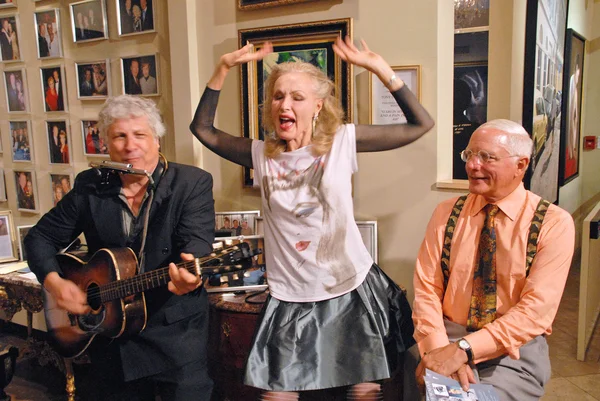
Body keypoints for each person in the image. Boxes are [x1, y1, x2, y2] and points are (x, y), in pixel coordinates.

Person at [190, 36, 434, 399]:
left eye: (297, 97)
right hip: (289, 294)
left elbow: (420, 125)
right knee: (276, 394)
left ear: (318, 105)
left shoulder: (342, 142)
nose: (284, 104)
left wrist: (380, 68)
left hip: (347, 288)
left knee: (364, 392)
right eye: (278, 96)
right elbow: (203, 130)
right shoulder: (261, 155)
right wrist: (222, 67)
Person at [24, 95, 216, 401]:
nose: (130, 145)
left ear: (156, 139)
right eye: (119, 136)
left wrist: (189, 273)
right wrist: (54, 282)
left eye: (140, 134)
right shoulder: (91, 185)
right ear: (105, 143)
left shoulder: (190, 183)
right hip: (111, 338)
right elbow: (39, 238)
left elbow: (197, 243)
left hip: (175, 338)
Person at [406, 119, 575, 400]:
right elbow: (426, 290)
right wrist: (439, 351)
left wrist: (463, 350)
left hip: (511, 351)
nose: (473, 165)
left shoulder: (553, 223)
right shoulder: (446, 213)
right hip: (443, 337)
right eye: (469, 155)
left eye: (486, 157)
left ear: (521, 165)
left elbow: (535, 312)